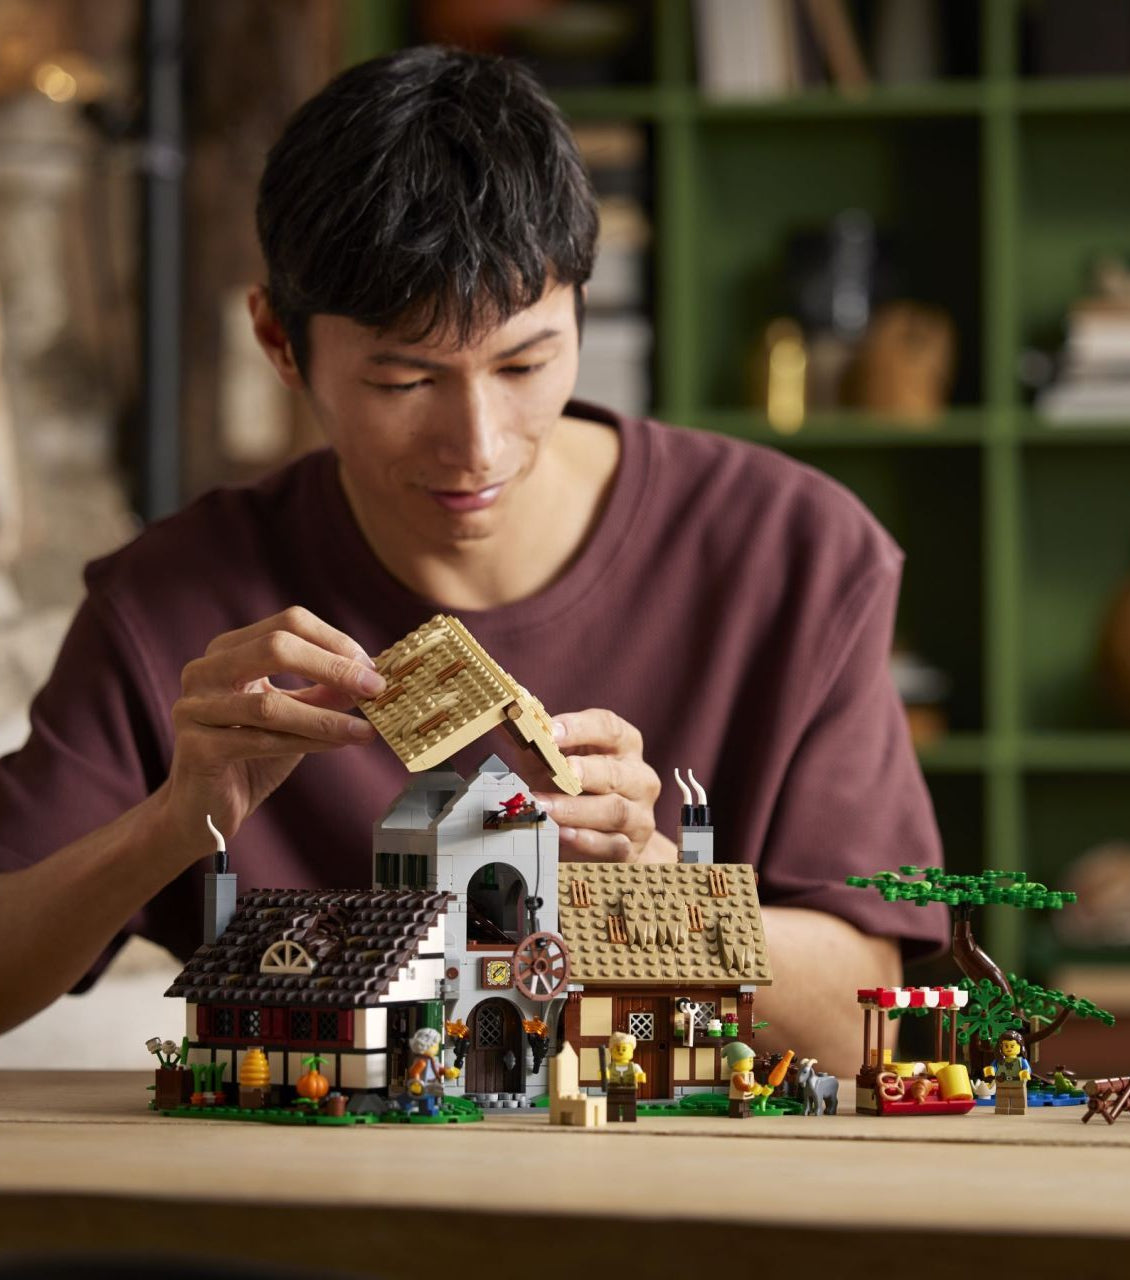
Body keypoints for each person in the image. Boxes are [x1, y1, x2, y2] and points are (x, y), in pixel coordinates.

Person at [0, 47, 946, 1057]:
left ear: (582, 306)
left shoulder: (791, 552)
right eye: (405, 382)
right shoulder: (180, 605)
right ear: (280, 342)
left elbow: (862, 1025)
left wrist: (655, 887)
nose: (479, 447)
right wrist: (173, 822)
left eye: (526, 361)